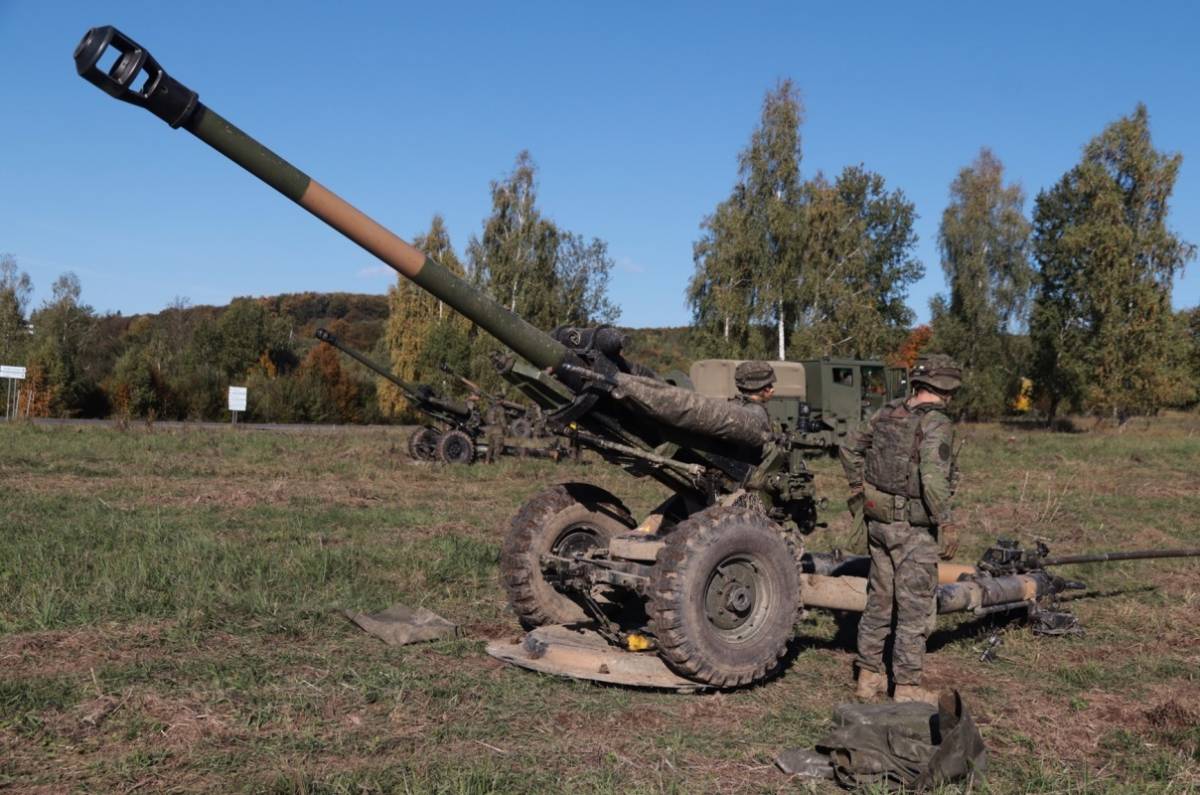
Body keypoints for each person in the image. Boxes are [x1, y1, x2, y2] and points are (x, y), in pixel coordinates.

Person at [839, 354, 962, 705]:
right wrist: (946, 521)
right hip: (912, 529)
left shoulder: (888, 412)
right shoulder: (936, 423)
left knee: (879, 600)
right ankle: (906, 687)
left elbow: (849, 446)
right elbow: (933, 477)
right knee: (915, 608)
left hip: (878, 523)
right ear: (946, 387)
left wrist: (858, 488)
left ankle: (868, 677)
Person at [731, 360, 777, 435]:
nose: (773, 390)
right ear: (764, 388)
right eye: (769, 386)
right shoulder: (757, 411)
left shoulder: (735, 404)